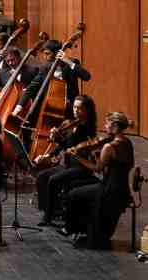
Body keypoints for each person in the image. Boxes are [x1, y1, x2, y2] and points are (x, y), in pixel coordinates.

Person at [63, 111, 135, 249]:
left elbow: (97, 168)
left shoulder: (109, 146)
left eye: (107, 123)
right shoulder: (127, 143)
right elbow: (128, 165)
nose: (105, 125)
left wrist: (76, 156)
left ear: (114, 125)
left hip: (108, 190)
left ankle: (75, 228)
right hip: (123, 189)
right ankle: (85, 230)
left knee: (74, 195)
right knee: (81, 190)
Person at [33, 95, 99, 226]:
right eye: (75, 107)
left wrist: (59, 136)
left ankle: (48, 216)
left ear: (88, 111)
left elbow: (73, 147)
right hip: (68, 164)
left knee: (53, 180)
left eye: (80, 108)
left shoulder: (88, 129)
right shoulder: (72, 124)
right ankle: (52, 209)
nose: (76, 111)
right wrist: (49, 152)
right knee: (41, 176)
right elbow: (63, 145)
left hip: (80, 167)